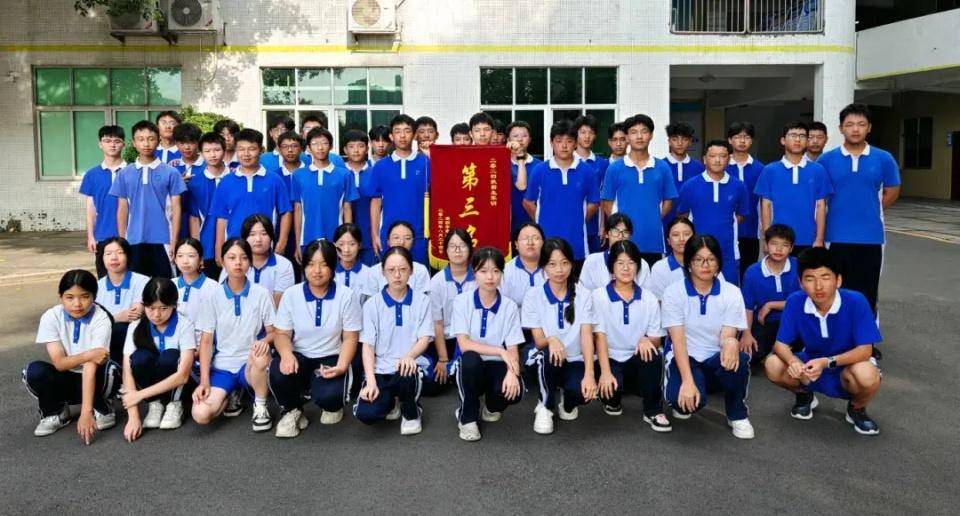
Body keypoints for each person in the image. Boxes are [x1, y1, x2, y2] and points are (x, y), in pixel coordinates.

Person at [763, 247, 883, 435]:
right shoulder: (795, 301)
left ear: (838, 280)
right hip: (811, 363)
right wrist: (793, 361)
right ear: (801, 282)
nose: (818, 286)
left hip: (846, 365)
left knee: (867, 374)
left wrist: (827, 362)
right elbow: (780, 344)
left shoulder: (856, 301)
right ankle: (804, 396)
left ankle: (857, 408)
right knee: (773, 364)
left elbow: (865, 350)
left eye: (825, 277)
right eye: (810, 279)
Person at [661, 234, 753, 439]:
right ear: (689, 263)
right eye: (698, 259)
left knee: (740, 359)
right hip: (685, 357)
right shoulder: (673, 292)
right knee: (683, 404)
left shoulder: (731, 292)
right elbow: (678, 341)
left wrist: (731, 342)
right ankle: (694, 385)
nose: (705, 265)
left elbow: (727, 335)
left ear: (718, 263)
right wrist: (687, 381)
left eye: (711, 259)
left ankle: (737, 414)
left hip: (715, 357)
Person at [270, 240, 361, 438]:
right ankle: (293, 410)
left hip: (331, 357)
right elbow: (282, 334)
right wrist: (286, 355)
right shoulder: (292, 294)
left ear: (333, 267)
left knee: (330, 400)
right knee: (278, 370)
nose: (317, 271)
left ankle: (332, 404)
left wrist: (341, 366)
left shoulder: (346, 295)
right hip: (299, 356)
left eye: (323, 264)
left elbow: (350, 337)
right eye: (311, 264)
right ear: (304, 267)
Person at [818, 103, 901, 316]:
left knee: (868, 292)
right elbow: (819, 198)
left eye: (861, 124)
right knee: (836, 290)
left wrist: (869, 209)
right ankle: (839, 334)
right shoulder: (826, 160)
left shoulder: (883, 158)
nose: (855, 129)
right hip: (835, 237)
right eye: (850, 124)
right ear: (841, 128)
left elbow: (892, 190)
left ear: (869, 127)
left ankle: (866, 335)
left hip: (871, 237)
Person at [23, 270, 120, 442]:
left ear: (94, 296)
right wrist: (89, 354)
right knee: (34, 370)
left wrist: (85, 412)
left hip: (95, 376)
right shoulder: (51, 317)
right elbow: (59, 363)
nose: (77, 304)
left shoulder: (101, 318)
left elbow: (91, 364)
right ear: (60, 297)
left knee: (110, 369)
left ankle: (101, 406)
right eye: (69, 297)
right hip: (66, 376)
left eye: (85, 296)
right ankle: (55, 410)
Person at [192, 238, 277, 431]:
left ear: (250, 261)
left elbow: (274, 332)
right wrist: (204, 381)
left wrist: (264, 341)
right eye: (232, 258)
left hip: (251, 363)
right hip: (222, 366)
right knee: (201, 414)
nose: (238, 263)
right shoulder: (212, 296)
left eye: (244, 258)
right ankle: (230, 394)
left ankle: (260, 405)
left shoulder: (261, 293)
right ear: (222, 261)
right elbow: (206, 342)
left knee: (261, 354)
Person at [591, 240, 671, 432]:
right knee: (611, 396)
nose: (626, 268)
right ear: (612, 267)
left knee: (653, 354)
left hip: (636, 357)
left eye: (631, 263)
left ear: (638, 266)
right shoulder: (598, 296)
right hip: (608, 358)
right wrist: (606, 372)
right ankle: (611, 399)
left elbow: (656, 338)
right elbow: (599, 337)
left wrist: (646, 340)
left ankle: (653, 410)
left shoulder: (649, 298)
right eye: (620, 263)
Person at [354, 246, 433, 435]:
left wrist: (409, 356)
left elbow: (424, 338)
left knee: (406, 372)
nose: (397, 275)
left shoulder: (422, 301)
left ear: (411, 271)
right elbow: (368, 346)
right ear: (383, 272)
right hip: (381, 368)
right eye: (391, 270)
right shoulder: (372, 305)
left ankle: (411, 412)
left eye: (403, 269)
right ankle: (391, 402)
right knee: (367, 414)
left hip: (409, 366)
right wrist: (371, 381)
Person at [522, 238, 597, 435]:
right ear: (543, 267)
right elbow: (539, 340)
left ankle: (567, 401)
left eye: (564, 263)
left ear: (572, 264)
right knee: (547, 354)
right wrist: (552, 339)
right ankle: (545, 406)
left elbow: (586, 337)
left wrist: (589, 375)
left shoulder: (583, 294)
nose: (559, 270)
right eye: (552, 264)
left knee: (583, 393)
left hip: (574, 358)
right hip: (546, 355)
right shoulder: (533, 295)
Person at [452, 246, 525, 441]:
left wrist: (512, 373)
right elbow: (464, 344)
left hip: (497, 364)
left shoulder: (509, 306)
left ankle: (491, 407)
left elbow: (512, 348)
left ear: (502, 273)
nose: (490, 277)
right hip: (472, 363)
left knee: (514, 392)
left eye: (496, 271)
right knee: (469, 360)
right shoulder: (462, 301)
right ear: (474, 273)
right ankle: (467, 416)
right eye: (483, 271)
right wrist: (500, 351)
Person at [120, 278, 196, 441]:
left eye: (163, 308)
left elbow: (183, 375)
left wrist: (139, 395)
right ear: (144, 305)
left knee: (170, 356)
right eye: (151, 308)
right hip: (151, 387)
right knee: (139, 358)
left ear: (174, 305)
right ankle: (155, 404)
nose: (156, 314)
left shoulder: (184, 325)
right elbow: (127, 371)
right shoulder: (135, 326)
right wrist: (133, 417)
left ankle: (175, 404)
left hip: (180, 386)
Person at [110, 120, 187, 278]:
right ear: (134, 143)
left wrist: (174, 241)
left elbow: (176, 209)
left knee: (164, 286)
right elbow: (122, 209)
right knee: (137, 287)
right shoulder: (124, 174)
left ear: (158, 140)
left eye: (151, 139)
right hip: (133, 239)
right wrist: (122, 242)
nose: (146, 143)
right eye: (141, 139)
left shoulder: (171, 172)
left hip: (163, 240)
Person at [602, 114, 678, 267]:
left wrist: (652, 217)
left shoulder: (662, 167)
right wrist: (621, 226)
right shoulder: (615, 168)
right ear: (627, 137)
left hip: (653, 240)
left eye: (644, 131)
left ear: (651, 135)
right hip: (624, 241)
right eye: (633, 132)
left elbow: (668, 201)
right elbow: (607, 202)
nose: (639, 136)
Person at [523, 120, 601, 268]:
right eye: (559, 141)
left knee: (576, 280)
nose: (564, 146)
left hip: (577, 242)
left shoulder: (587, 171)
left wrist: (576, 219)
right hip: (546, 242)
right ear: (551, 143)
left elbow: (594, 203)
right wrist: (542, 219)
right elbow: (528, 202)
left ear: (575, 143)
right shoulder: (540, 170)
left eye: (569, 141)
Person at [211, 128, 292, 268]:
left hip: (265, 247)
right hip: (234, 248)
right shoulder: (226, 181)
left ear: (260, 150)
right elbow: (221, 218)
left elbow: (286, 212)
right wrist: (219, 248)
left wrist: (282, 241)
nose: (246, 154)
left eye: (252, 149)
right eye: (241, 149)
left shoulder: (274, 180)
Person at [675, 139, 749, 285]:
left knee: (729, 291)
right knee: (697, 288)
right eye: (713, 156)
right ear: (704, 159)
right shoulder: (690, 186)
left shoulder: (738, 186)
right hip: (697, 250)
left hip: (728, 252)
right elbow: (683, 217)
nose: (717, 160)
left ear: (729, 159)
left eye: (722, 156)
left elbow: (741, 215)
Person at [755, 121, 832, 254]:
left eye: (802, 136)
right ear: (783, 140)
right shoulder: (770, 170)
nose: (797, 139)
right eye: (793, 135)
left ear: (807, 141)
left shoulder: (818, 170)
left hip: (809, 239)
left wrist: (819, 239)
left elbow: (821, 206)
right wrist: (767, 240)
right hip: (779, 241)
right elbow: (765, 207)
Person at [368, 114, 431, 265]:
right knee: (392, 274)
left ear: (414, 135)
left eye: (407, 131)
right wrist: (375, 235)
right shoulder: (380, 166)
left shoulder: (426, 163)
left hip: (421, 235)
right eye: (398, 131)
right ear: (391, 136)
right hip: (390, 236)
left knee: (419, 275)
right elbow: (376, 202)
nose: (402, 136)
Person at [739, 224, 801, 368]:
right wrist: (746, 334)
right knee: (748, 357)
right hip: (764, 322)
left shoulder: (798, 266)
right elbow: (747, 307)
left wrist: (772, 305)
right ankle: (772, 352)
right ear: (766, 245)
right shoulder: (753, 272)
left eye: (785, 245)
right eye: (774, 244)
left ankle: (779, 352)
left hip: (793, 321)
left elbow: (805, 300)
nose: (779, 249)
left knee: (806, 352)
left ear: (791, 248)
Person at [292, 127, 358, 259]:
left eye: (324, 143)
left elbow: (347, 209)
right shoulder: (298, 175)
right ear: (308, 148)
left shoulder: (344, 174)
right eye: (315, 144)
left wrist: (346, 241)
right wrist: (298, 243)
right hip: (307, 239)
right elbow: (298, 210)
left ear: (331, 146)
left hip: (336, 240)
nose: (320, 147)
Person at [426, 229, 476, 395]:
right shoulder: (437, 281)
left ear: (470, 248)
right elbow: (437, 323)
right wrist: (443, 358)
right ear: (446, 251)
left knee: (471, 374)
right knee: (433, 384)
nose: (457, 250)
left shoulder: (479, 277)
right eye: (453, 246)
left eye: (462, 246)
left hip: (472, 338)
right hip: (447, 339)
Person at [79, 125, 126, 278]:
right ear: (100, 144)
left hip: (130, 236)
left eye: (117, 141)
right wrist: (91, 236)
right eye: (107, 141)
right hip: (103, 235)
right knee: (105, 280)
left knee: (132, 280)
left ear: (123, 144)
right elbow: (91, 208)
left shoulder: (132, 171)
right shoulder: (91, 175)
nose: (112, 145)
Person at [219, 214, 295, 308]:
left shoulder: (284, 265)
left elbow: (278, 305)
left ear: (271, 237)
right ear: (244, 238)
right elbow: (223, 299)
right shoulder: (234, 264)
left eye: (264, 234)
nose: (258, 239)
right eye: (252, 234)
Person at [96, 237, 150, 363]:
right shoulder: (97, 287)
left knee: (119, 329)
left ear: (128, 256)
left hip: (135, 335)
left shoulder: (142, 281)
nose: (114, 258)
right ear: (102, 258)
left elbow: (135, 314)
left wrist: (109, 319)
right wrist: (117, 317)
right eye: (108, 254)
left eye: (120, 253)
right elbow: (95, 321)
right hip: (105, 338)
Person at [726, 121, 765, 279]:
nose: (742, 141)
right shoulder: (721, 166)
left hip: (751, 231)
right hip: (726, 231)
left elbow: (765, 203)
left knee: (747, 273)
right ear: (730, 140)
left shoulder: (760, 169)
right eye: (737, 137)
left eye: (747, 137)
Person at [188, 132, 229, 279]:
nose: (213, 155)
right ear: (201, 153)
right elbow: (194, 219)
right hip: (206, 246)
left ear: (224, 150)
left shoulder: (235, 178)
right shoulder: (194, 182)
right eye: (207, 151)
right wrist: (197, 251)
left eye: (217, 150)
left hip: (233, 244)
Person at [578, 212, 650, 291]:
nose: (620, 236)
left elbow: (646, 295)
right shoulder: (592, 261)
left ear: (630, 235)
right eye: (616, 231)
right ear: (606, 234)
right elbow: (584, 293)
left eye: (625, 232)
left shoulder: (642, 264)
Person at [572, 114, 608, 254]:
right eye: (583, 132)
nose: (587, 136)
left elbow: (604, 198)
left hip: (594, 226)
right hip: (571, 223)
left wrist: (603, 226)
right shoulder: (567, 162)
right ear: (576, 134)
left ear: (595, 136)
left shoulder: (602, 164)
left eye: (591, 132)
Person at [342, 129, 378, 266]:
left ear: (367, 149)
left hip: (369, 236)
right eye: (351, 146)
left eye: (360, 146)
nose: (356, 150)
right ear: (345, 150)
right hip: (343, 237)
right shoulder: (339, 173)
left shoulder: (375, 173)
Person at [663, 122, 705, 226]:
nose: (680, 143)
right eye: (675, 139)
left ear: (690, 141)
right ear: (669, 141)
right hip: (664, 219)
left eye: (684, 139)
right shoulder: (660, 166)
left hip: (692, 221)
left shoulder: (699, 167)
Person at [506, 120, 542, 238]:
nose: (520, 139)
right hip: (507, 224)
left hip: (533, 223)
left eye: (524, 136)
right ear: (508, 140)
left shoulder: (539, 166)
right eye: (515, 136)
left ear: (530, 140)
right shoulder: (500, 163)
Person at [375, 221, 431, 295]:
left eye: (407, 238)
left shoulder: (421, 270)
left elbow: (423, 299)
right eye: (396, 237)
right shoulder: (374, 271)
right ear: (388, 241)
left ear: (413, 242)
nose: (401, 242)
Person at [172, 238, 218, 328]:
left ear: (201, 260)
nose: (185, 261)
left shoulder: (213, 287)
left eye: (191, 256)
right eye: (180, 256)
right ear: (175, 259)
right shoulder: (170, 285)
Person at [170, 123, 204, 239]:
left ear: (198, 142)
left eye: (191, 142)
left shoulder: (208, 166)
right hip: (178, 220)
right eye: (182, 143)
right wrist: (177, 184)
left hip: (202, 220)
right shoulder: (171, 168)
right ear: (176, 143)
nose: (187, 147)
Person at [648, 217, 696, 299]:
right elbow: (659, 301)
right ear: (668, 241)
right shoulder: (659, 268)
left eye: (686, 234)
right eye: (675, 235)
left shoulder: (705, 263)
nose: (682, 239)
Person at [333, 223, 379, 305]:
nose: (346, 250)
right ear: (334, 245)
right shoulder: (330, 273)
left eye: (352, 244)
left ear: (360, 245)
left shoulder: (369, 274)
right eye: (341, 244)